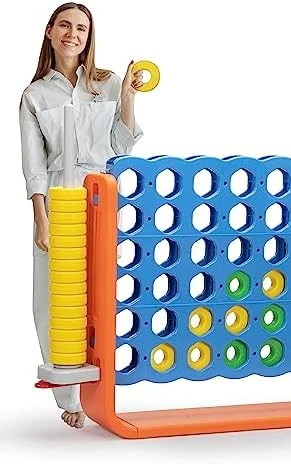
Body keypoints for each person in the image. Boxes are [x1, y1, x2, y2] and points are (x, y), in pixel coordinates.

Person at [19, 2, 143, 429]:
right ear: (50, 31)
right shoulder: (35, 96)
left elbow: (122, 145)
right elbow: (34, 163)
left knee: (100, 294)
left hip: (100, 195)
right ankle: (69, 395)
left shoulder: (105, 83)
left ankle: (101, 389)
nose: (73, 34)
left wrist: (127, 98)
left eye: (82, 29)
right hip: (58, 198)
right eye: (65, 25)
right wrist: (41, 218)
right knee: (53, 297)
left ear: (89, 37)